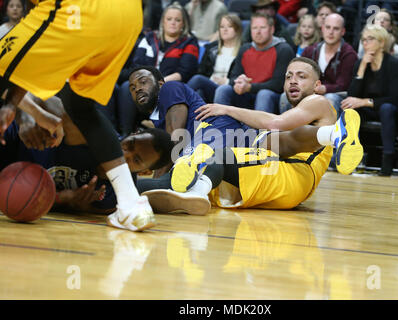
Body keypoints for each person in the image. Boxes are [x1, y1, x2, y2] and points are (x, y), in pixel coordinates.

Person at [0, 0, 155, 232]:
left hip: (79, 12)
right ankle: (132, 205)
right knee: (79, 106)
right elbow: (28, 60)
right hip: (127, 16)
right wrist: (18, 107)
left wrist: (23, 111)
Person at [139, 57, 364, 215]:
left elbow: (276, 123)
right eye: (288, 76)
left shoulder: (317, 101)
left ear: (317, 85)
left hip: (293, 174)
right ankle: (139, 190)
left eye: (301, 76)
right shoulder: (298, 111)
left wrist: (227, 108)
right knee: (202, 168)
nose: (293, 80)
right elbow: (275, 121)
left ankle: (335, 135)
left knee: (221, 155)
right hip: (280, 177)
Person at [0, 93, 174, 214]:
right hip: (12, 142)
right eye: (131, 143)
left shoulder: (111, 199)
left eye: (135, 159)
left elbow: (43, 206)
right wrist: (25, 117)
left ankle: (167, 189)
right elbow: (33, 95)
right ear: (133, 133)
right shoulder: (92, 134)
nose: (124, 152)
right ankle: (165, 186)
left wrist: (62, 200)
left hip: (11, 182)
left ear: (143, 172)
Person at [114, 2, 200, 136]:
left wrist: (157, 82)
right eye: (169, 19)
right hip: (145, 81)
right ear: (163, 22)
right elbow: (137, 65)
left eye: (177, 20)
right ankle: (126, 134)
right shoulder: (150, 38)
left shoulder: (189, 42)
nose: (173, 23)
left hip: (170, 84)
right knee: (126, 86)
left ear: (183, 24)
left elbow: (184, 72)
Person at [342, 24, 398, 176]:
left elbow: (396, 98)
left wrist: (364, 102)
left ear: (382, 42)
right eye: (363, 40)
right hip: (367, 110)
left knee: (387, 109)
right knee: (349, 108)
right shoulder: (360, 63)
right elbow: (351, 95)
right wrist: (362, 67)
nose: (365, 43)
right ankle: (348, 155)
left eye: (370, 39)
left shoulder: (394, 64)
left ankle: (388, 160)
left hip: (387, 109)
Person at [213, 12, 295, 114]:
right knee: (223, 89)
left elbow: (278, 85)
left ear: (272, 29)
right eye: (254, 28)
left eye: (262, 28)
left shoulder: (283, 49)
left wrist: (250, 87)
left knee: (263, 94)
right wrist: (239, 82)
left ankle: (262, 130)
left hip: (272, 98)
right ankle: (221, 126)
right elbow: (233, 76)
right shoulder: (245, 48)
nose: (258, 32)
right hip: (246, 95)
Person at [301, 13, 358, 115]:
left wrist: (325, 88)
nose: (331, 32)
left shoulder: (349, 54)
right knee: (287, 96)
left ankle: (328, 131)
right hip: (311, 93)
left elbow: (343, 85)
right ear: (322, 28)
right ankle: (291, 131)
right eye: (328, 27)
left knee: (330, 98)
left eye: (336, 29)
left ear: (343, 31)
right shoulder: (310, 51)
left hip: (338, 96)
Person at [187, 13, 242, 103]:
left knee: (198, 80)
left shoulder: (243, 50)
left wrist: (227, 81)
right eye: (222, 27)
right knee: (198, 92)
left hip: (231, 89)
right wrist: (212, 79)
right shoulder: (211, 48)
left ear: (237, 30)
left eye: (229, 26)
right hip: (211, 86)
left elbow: (244, 76)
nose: (225, 30)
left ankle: (175, 100)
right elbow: (202, 72)